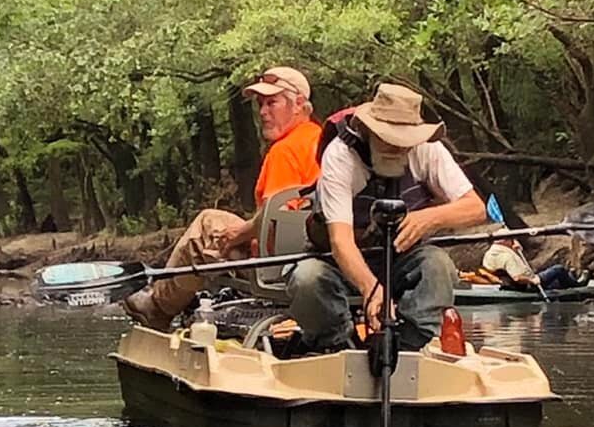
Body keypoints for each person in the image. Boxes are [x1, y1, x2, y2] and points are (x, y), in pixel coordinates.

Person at [289, 83, 486, 353]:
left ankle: (412, 344)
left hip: (401, 258)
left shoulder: (429, 150)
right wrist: (372, 289)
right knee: (307, 279)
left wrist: (429, 218)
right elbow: (340, 242)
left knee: (438, 266)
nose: (396, 146)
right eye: (387, 137)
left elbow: (475, 208)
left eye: (403, 140)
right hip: (339, 261)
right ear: (368, 131)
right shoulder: (340, 156)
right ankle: (336, 345)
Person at [123, 65, 322, 330]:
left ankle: (157, 306)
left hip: (274, 267)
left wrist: (239, 234)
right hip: (316, 261)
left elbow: (275, 218)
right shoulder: (322, 140)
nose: (263, 112)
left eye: (272, 103)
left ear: (299, 104)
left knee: (208, 224)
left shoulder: (284, 152)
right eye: (260, 104)